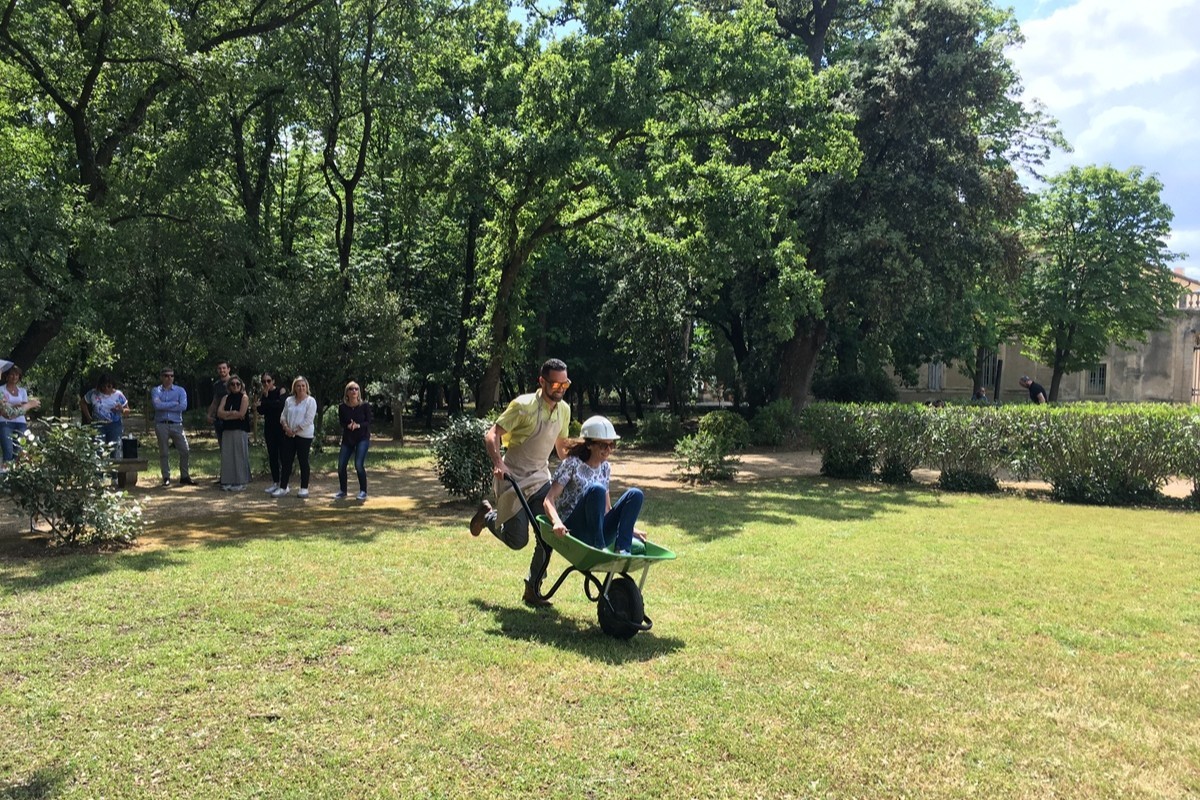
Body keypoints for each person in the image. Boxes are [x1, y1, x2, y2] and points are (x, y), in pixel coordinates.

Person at [469, 358, 571, 607]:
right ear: (542, 382)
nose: (559, 390)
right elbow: (491, 434)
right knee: (517, 540)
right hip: (512, 479)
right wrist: (498, 463)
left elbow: (561, 449)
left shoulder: (564, 410)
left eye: (564, 385)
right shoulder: (523, 406)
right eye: (555, 385)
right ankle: (488, 517)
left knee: (548, 537)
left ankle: (532, 589)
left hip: (540, 479)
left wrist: (584, 460)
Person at [543, 415, 646, 557]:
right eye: (604, 445)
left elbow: (607, 509)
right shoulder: (572, 464)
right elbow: (549, 499)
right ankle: (599, 548)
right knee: (597, 489)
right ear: (589, 444)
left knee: (635, 494)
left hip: (598, 528)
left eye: (612, 445)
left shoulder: (605, 468)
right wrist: (557, 523)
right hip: (575, 529)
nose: (608, 450)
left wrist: (630, 529)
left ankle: (623, 549)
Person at [151, 367, 195, 487]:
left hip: (177, 425)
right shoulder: (156, 390)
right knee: (164, 452)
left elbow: (183, 406)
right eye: (166, 376)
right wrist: (173, 403)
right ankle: (166, 477)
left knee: (185, 450)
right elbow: (157, 406)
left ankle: (185, 476)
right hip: (161, 424)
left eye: (171, 376)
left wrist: (164, 405)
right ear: (161, 377)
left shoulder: (180, 391)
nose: (169, 378)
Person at [273, 376, 316, 498]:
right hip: (289, 434)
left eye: (303, 385)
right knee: (286, 461)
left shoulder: (310, 401)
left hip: (304, 435)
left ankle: (304, 488)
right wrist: (287, 428)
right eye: (298, 386)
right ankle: (283, 487)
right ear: (294, 387)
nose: (301, 388)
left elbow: (308, 419)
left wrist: (295, 430)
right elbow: (283, 416)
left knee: (303, 461)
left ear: (306, 387)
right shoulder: (289, 400)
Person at [335, 381, 373, 501]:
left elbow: (369, 421)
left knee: (358, 464)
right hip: (348, 439)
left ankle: (363, 491)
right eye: (351, 389)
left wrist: (358, 425)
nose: (354, 391)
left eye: (356, 389)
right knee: (341, 465)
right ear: (347, 392)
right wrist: (348, 425)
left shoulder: (364, 406)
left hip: (362, 437)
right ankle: (343, 490)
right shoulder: (342, 407)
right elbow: (342, 422)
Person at [1, 362, 40, 472]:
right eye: (12, 374)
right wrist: (26, 405)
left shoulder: (22, 391)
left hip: (20, 423)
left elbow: (24, 407)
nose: (14, 377)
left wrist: (26, 406)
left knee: (19, 450)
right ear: (7, 376)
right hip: (5, 423)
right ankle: (6, 477)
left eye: (17, 375)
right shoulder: (1, 390)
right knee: (8, 449)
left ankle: (16, 475)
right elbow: (5, 411)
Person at [81, 373, 130, 455]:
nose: (106, 389)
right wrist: (88, 417)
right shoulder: (93, 393)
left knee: (115, 450)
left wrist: (122, 409)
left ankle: (115, 467)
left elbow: (127, 411)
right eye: (103, 387)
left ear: (112, 385)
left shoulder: (118, 395)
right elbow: (82, 403)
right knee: (98, 450)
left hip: (115, 425)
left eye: (109, 386)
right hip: (98, 425)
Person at [216, 375, 251, 491]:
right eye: (233, 384)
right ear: (229, 386)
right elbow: (219, 413)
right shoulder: (225, 398)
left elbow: (241, 414)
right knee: (227, 455)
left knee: (239, 455)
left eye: (238, 384)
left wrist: (227, 415)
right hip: (227, 430)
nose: (235, 386)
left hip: (240, 430)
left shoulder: (244, 398)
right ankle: (227, 481)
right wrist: (232, 414)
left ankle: (240, 481)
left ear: (241, 386)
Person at [256, 372, 287, 494]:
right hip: (269, 428)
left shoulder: (281, 390)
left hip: (281, 427)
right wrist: (265, 399)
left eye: (268, 381)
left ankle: (285, 483)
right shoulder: (264, 394)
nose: (266, 383)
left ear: (273, 381)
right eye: (263, 381)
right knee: (272, 455)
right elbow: (261, 410)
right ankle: (275, 482)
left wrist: (265, 402)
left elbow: (281, 405)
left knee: (283, 456)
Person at [205, 360, 232, 452]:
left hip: (232, 418)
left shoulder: (235, 383)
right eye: (219, 368)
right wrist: (209, 414)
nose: (222, 370)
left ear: (228, 369)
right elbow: (215, 401)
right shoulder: (216, 385)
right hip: (219, 419)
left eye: (224, 368)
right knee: (223, 447)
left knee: (233, 447)